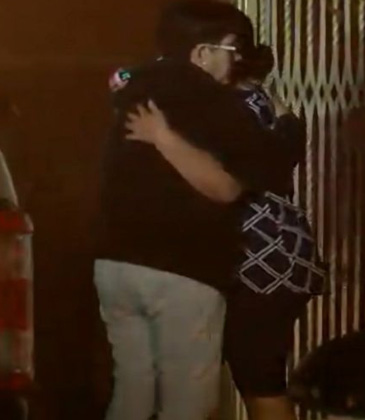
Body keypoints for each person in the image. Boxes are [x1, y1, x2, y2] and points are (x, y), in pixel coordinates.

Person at [94, 1, 304, 419]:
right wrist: (289, 125)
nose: (236, 61)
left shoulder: (134, 89)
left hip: (116, 266)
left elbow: (120, 82)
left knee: (133, 391)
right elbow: (246, 177)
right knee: (187, 402)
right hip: (181, 269)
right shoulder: (214, 101)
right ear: (203, 52)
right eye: (231, 49)